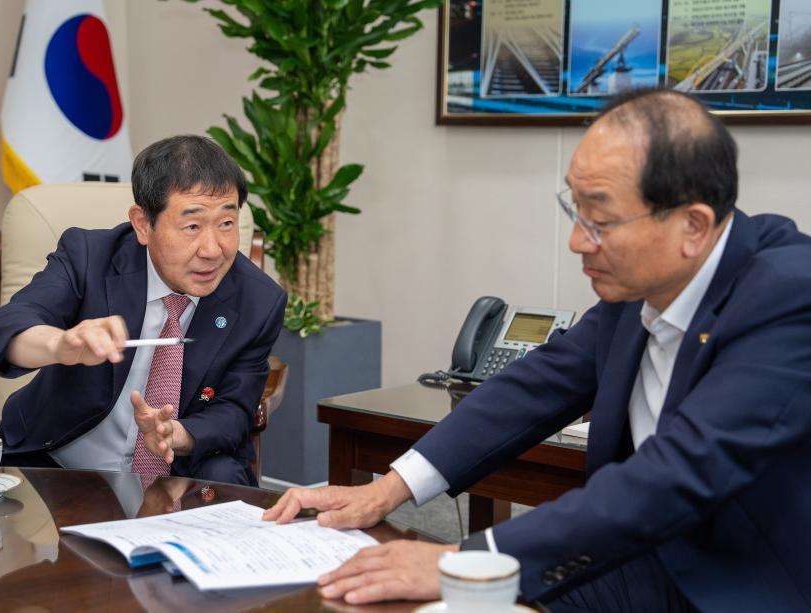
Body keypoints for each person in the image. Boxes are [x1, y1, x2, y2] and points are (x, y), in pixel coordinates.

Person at [264, 89, 811, 612]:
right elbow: (536, 387)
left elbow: (678, 473)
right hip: (640, 560)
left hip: (748, 585)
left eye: (600, 221)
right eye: (575, 209)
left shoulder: (788, 296)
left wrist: (467, 562)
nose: (577, 242)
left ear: (693, 226)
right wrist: (387, 490)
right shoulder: (639, 283)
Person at [0, 135, 287, 485]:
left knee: (226, 479)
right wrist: (58, 345)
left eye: (226, 224)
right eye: (192, 226)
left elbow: (234, 410)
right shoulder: (90, 256)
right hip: (59, 464)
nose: (212, 250)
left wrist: (178, 435)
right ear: (143, 224)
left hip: (179, 473)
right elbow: (7, 326)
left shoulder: (259, 301)